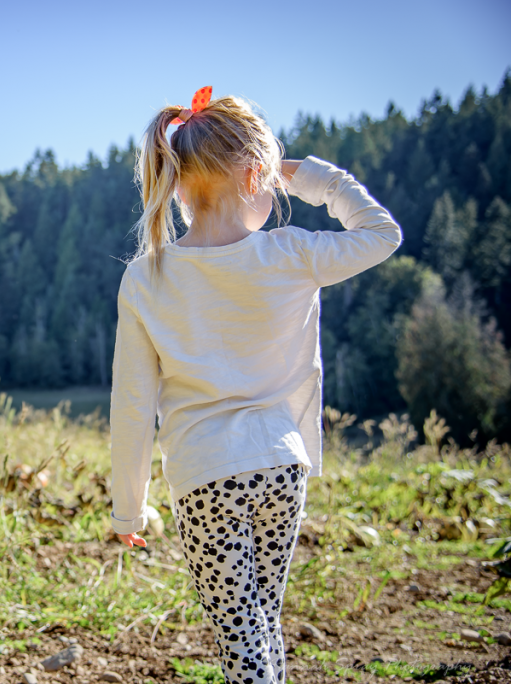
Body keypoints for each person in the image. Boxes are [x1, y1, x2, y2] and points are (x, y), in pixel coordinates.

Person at [108, 87, 402, 684]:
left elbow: (133, 405)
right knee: (263, 621)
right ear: (254, 175)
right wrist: (310, 178)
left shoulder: (146, 279)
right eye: (271, 179)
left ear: (179, 184)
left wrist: (128, 510)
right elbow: (381, 233)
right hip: (280, 467)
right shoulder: (290, 253)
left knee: (239, 634)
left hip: (205, 477)